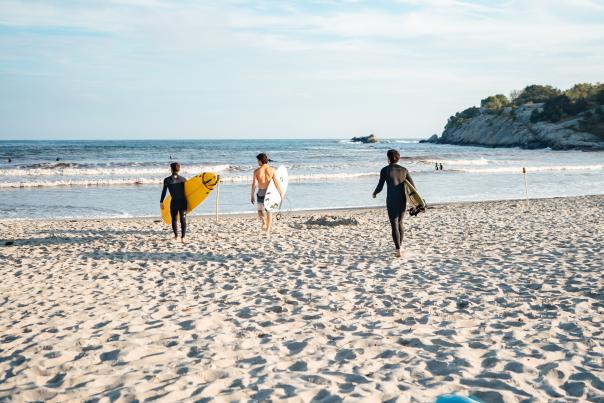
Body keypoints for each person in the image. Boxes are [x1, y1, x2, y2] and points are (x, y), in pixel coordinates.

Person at [372, 149, 416, 257]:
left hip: (391, 200)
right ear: (398, 157)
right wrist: (414, 203)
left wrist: (375, 193)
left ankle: (398, 250)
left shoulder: (385, 170)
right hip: (402, 200)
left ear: (388, 158)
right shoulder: (404, 170)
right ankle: (400, 247)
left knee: (394, 224)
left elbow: (380, 186)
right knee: (400, 222)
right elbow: (413, 188)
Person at [251, 153, 284, 232]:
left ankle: (263, 221)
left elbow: (254, 184)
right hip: (269, 193)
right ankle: (268, 229)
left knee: (259, 211)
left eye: (258, 160)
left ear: (261, 161)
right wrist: (281, 192)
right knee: (269, 211)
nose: (257, 162)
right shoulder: (272, 170)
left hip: (260, 193)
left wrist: (252, 195)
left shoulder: (256, 171)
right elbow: (276, 182)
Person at [160, 162, 187, 243]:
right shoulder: (183, 179)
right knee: (183, 219)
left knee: (174, 219)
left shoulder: (167, 180)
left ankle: (176, 236)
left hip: (174, 202)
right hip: (183, 202)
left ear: (171, 169)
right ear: (179, 169)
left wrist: (161, 201)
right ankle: (183, 237)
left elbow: (164, 192)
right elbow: (187, 192)